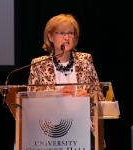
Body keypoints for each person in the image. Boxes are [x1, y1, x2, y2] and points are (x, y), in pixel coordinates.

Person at [28, 14, 105, 149]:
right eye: (61, 33)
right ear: (50, 37)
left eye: (70, 33)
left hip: (84, 130)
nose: (67, 37)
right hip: (50, 133)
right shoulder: (39, 64)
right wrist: (57, 96)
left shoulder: (85, 60)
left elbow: (100, 96)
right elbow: (31, 103)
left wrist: (89, 98)